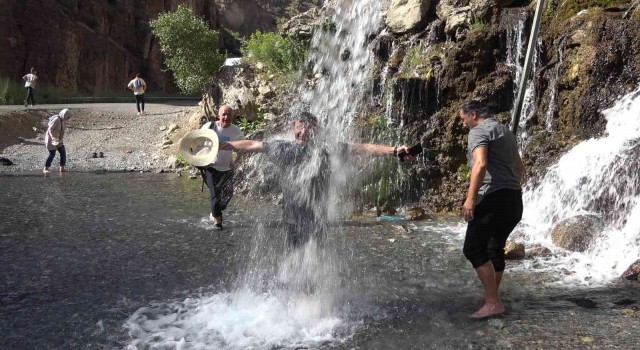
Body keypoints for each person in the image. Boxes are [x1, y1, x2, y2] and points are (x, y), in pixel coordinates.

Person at [221, 111, 412, 248]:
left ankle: (312, 300)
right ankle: (299, 299)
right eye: (299, 128)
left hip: (318, 218)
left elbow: (362, 148)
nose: (303, 133)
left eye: (308, 129)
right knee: (296, 260)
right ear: (293, 127)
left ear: (316, 130)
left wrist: (394, 151)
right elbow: (250, 144)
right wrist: (220, 145)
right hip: (293, 217)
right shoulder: (283, 148)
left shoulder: (326, 149)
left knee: (315, 260)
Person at [459, 100, 525, 319]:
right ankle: (493, 297)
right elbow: (520, 167)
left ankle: (492, 302)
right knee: (494, 247)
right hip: (514, 199)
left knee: (473, 248)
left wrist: (470, 199)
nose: (463, 124)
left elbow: (480, 164)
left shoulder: (479, 131)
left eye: (463, 118)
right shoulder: (505, 132)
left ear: (474, 114)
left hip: (493, 198)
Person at [199, 105, 245, 230]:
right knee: (215, 197)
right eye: (224, 114)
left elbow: (243, 147)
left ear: (233, 116)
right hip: (211, 167)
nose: (226, 117)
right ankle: (218, 224)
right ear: (218, 115)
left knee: (225, 198)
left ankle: (215, 212)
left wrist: (237, 161)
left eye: (229, 114)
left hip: (227, 169)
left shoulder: (236, 131)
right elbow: (197, 142)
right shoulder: (209, 127)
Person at [44, 108, 72, 173]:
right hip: (50, 139)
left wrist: (61, 139)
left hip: (58, 140)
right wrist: (53, 138)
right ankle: (46, 168)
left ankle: (62, 168)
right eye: (67, 117)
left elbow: (62, 132)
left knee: (63, 152)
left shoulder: (63, 121)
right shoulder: (56, 119)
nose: (68, 118)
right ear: (64, 115)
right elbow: (50, 129)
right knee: (52, 154)